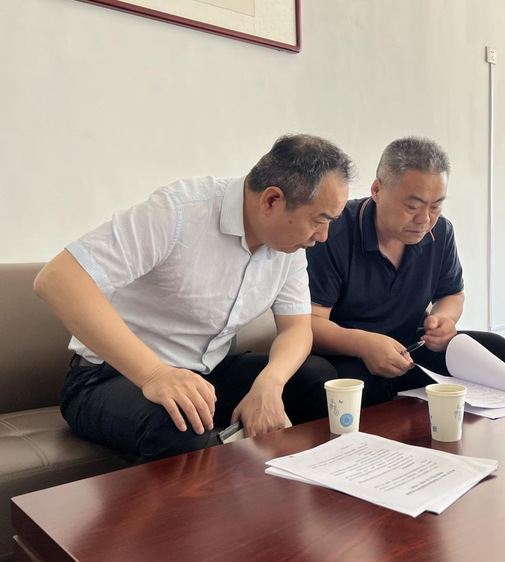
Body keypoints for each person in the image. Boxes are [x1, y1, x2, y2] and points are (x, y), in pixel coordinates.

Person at [34, 134, 353, 461]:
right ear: (271, 200)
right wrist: (155, 375)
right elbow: (58, 279)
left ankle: (293, 485)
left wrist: (270, 383)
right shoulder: (179, 212)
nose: (323, 236)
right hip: (110, 378)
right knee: (180, 421)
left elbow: (296, 328)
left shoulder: (288, 246)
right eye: (319, 220)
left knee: (316, 377)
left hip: (204, 375)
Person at [305, 136, 505, 407]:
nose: (424, 220)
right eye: (412, 206)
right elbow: (311, 322)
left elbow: (452, 294)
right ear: (377, 190)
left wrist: (442, 320)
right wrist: (363, 344)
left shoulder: (440, 232)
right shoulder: (333, 232)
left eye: (435, 206)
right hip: (349, 352)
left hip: (411, 347)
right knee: (355, 385)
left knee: (497, 351)